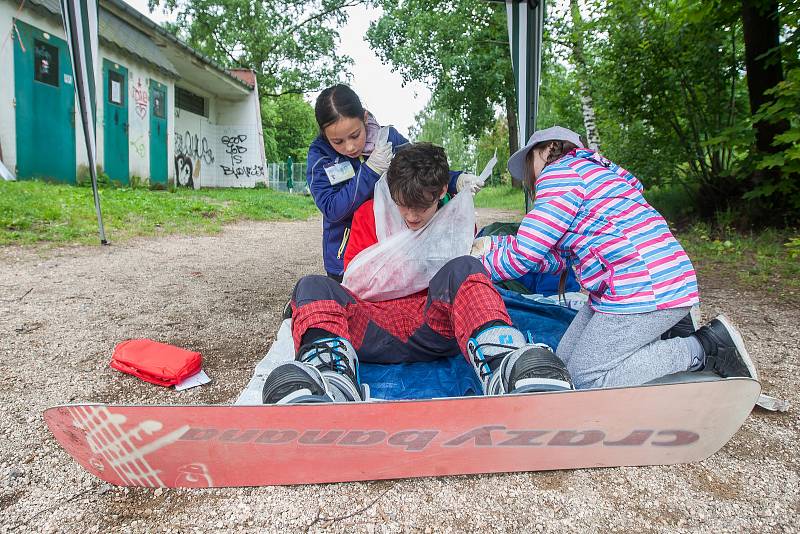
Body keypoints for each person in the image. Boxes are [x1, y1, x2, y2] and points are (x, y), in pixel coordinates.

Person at [262, 143, 573, 404]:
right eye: (402, 206)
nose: (411, 217)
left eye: (421, 209)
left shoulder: (455, 222)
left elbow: (461, 283)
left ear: (440, 193)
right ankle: (331, 379)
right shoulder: (366, 216)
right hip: (372, 328)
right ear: (390, 193)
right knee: (311, 285)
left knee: (466, 267)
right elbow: (355, 283)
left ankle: (503, 364)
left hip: (436, 327)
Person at [471, 126, 757, 390]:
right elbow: (552, 257)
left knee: (585, 381)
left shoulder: (559, 174)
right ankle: (668, 331)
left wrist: (473, 268)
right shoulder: (594, 175)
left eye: (528, 163)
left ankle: (705, 346)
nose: (527, 177)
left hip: (641, 287)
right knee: (564, 366)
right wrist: (494, 245)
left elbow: (525, 253)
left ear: (547, 150)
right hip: (644, 281)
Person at [306, 84, 483, 281]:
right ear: (324, 134)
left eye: (355, 135)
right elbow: (332, 209)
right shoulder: (320, 156)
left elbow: (421, 168)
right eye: (337, 141)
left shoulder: (388, 139)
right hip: (346, 255)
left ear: (365, 117)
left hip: (395, 245)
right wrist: (370, 171)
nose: (350, 146)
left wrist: (455, 179)